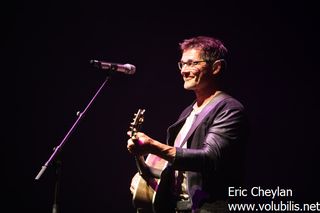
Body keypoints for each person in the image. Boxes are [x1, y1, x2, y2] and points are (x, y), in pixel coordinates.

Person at [127, 36, 248, 213]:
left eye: (192, 63)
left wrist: (154, 147)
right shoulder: (187, 113)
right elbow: (179, 172)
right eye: (182, 64)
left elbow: (209, 159)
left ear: (216, 67)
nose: (184, 70)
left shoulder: (229, 109)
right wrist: (144, 178)